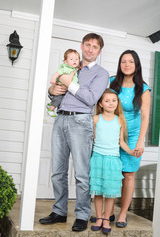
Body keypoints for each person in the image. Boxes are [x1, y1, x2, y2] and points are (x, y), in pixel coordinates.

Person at [39, 33, 109, 232]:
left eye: (94, 47)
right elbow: (55, 90)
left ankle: (82, 215)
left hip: (81, 122)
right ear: (81, 46)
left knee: (81, 174)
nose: (90, 49)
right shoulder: (70, 67)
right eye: (87, 45)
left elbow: (90, 98)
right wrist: (52, 89)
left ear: (99, 51)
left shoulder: (101, 73)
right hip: (60, 118)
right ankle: (59, 211)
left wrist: (68, 83)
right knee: (57, 172)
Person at [110, 49, 151, 228]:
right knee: (111, 174)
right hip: (112, 133)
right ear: (120, 65)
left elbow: (145, 117)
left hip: (133, 136)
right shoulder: (112, 82)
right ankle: (108, 212)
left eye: (131, 61)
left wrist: (140, 140)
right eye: (123, 61)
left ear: (137, 65)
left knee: (128, 174)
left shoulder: (143, 87)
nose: (127, 65)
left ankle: (123, 214)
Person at [89, 88, 135, 234]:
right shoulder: (96, 119)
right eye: (107, 101)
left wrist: (131, 152)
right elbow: (93, 139)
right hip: (98, 158)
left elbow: (121, 142)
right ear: (101, 104)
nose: (111, 103)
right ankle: (98, 218)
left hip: (113, 160)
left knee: (110, 192)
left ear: (117, 103)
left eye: (114, 100)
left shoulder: (120, 120)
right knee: (98, 191)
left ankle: (107, 219)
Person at [47, 49, 80, 117]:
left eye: (77, 59)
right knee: (58, 99)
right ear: (65, 61)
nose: (74, 61)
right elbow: (57, 73)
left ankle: (50, 104)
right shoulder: (65, 68)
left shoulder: (74, 69)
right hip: (61, 87)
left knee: (59, 98)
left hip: (67, 89)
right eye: (71, 59)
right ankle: (51, 109)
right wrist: (53, 79)